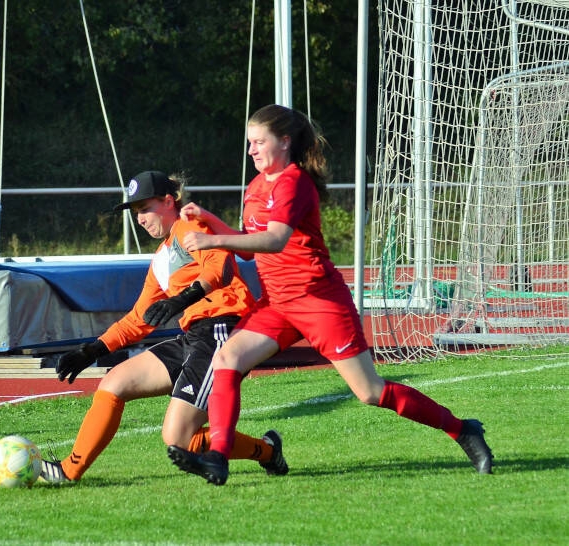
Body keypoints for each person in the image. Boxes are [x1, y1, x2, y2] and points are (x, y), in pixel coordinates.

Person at [167, 104, 494, 485]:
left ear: (285, 142)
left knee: (370, 391)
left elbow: (275, 239)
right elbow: (249, 249)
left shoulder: (293, 182)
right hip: (278, 304)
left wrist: (212, 237)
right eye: (250, 143)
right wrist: (213, 220)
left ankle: (461, 429)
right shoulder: (256, 186)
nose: (252, 150)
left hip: (319, 301)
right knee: (228, 357)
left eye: (259, 142)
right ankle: (218, 456)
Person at [39, 170, 288, 484]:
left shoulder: (189, 226)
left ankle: (267, 452)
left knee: (178, 440)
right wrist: (92, 350)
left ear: (169, 201)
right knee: (114, 383)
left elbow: (220, 268)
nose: (140, 219)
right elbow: (139, 317)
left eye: (144, 208)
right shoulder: (161, 257)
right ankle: (68, 470)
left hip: (219, 333)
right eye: (135, 212)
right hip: (192, 337)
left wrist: (180, 300)